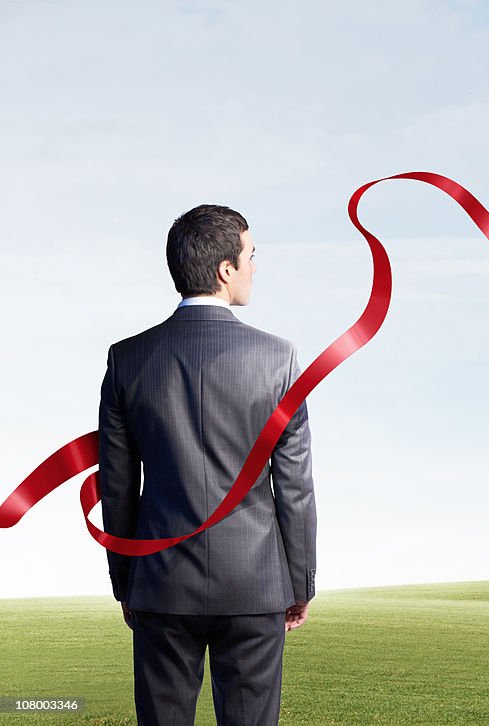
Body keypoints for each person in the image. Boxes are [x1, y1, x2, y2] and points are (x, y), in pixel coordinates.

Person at [98, 204, 317, 725]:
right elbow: (295, 488)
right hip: (255, 585)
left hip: (160, 582)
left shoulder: (126, 358)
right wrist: (300, 584)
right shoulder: (279, 359)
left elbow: (117, 484)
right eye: (251, 255)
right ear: (225, 269)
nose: (255, 267)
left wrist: (125, 581)